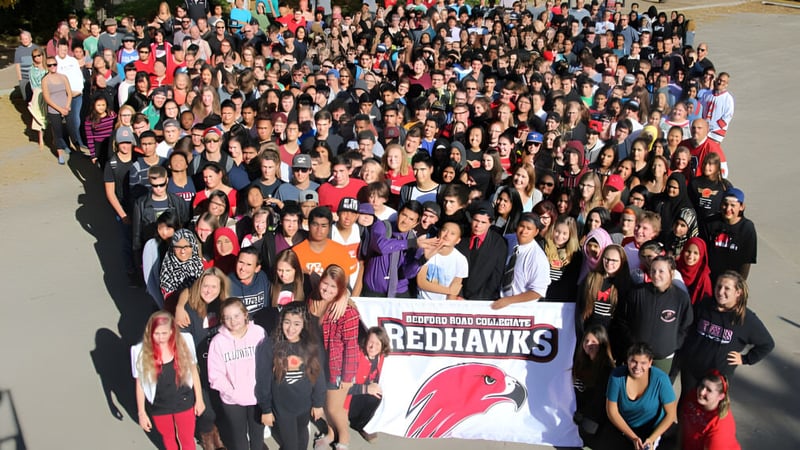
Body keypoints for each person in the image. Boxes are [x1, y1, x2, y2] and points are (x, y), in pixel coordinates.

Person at [679, 271, 775, 392]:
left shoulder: (745, 319)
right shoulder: (704, 305)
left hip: (717, 379)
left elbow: (767, 344)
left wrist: (745, 359)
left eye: (727, 288)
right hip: (691, 371)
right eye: (719, 286)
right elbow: (689, 327)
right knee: (686, 406)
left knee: (710, 409)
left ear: (738, 292)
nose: (720, 292)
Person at [256, 302, 326, 450]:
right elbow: (263, 381)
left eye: (296, 324)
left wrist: (318, 403)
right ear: (281, 322)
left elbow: (318, 377)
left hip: (304, 406)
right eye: (287, 322)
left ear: (304, 325)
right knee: (290, 446)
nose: (290, 328)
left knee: (302, 440)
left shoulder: (311, 345)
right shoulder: (270, 345)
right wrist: (266, 409)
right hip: (282, 409)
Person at [131, 311, 204, 450]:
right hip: (159, 405)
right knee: (168, 438)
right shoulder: (139, 351)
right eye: (156, 334)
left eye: (164, 333)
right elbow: (140, 383)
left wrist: (199, 400)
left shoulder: (185, 342)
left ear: (172, 331)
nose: (160, 338)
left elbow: (194, 371)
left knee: (187, 439)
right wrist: (142, 412)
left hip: (184, 401)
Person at [175, 268, 230, 450]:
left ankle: (219, 435)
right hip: (199, 367)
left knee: (221, 405)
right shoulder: (189, 308)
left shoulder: (224, 305)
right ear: (199, 286)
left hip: (222, 366)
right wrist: (179, 306)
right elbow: (185, 347)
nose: (209, 290)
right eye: (205, 286)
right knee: (205, 410)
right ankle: (208, 439)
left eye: (214, 287)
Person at [308, 265, 360, 450]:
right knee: (323, 403)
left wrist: (348, 377)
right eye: (325, 284)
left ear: (340, 290)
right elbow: (310, 274)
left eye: (333, 287)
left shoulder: (347, 311)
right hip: (317, 363)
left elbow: (351, 347)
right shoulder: (313, 298)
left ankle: (344, 439)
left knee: (333, 408)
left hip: (336, 366)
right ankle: (331, 433)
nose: (327, 290)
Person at [617, 256, 693, 375]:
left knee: (656, 390)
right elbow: (623, 319)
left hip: (663, 358)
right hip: (637, 355)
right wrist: (632, 340)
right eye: (653, 270)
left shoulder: (681, 298)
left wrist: (673, 344)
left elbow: (687, 325)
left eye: (661, 271)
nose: (656, 275)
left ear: (671, 273)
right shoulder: (637, 293)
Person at [207, 297, 267, 450]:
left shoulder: (259, 333)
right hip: (232, 400)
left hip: (257, 396)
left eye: (236, 315)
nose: (233, 321)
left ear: (245, 314)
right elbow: (215, 375)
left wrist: (264, 389)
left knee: (257, 435)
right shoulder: (218, 342)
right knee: (239, 437)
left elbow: (267, 363)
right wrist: (232, 392)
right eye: (227, 317)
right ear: (222, 320)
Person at [606, 343, 677, 450]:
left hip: (654, 430)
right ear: (627, 360)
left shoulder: (661, 379)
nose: (638, 367)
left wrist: (651, 439)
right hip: (626, 429)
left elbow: (671, 415)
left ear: (650, 363)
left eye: (643, 363)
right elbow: (612, 411)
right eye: (634, 361)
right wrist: (633, 437)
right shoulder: (617, 376)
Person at [572, 325, 616, 449]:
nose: (589, 344)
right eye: (586, 341)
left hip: (596, 418)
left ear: (602, 344)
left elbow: (598, 402)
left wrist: (581, 415)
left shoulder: (607, 369)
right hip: (580, 411)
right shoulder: (581, 363)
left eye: (594, 342)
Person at [495, 213, 551, 309]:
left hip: (522, 308)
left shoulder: (538, 258)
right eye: (522, 226)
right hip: (499, 300)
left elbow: (538, 292)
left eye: (529, 229)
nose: (524, 231)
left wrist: (509, 300)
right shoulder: (508, 239)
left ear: (536, 232)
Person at [347, 326, 391, 443]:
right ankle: (358, 424)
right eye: (370, 342)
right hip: (348, 397)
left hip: (363, 393)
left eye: (377, 344)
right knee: (374, 396)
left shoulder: (381, 357)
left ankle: (363, 420)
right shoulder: (355, 356)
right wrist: (367, 389)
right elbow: (342, 387)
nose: (373, 347)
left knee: (380, 393)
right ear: (365, 341)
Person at [702, 187, 757, 281]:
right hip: (709, 278)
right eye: (725, 204)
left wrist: (740, 284)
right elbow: (702, 251)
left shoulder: (747, 228)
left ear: (741, 207)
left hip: (732, 281)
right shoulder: (710, 223)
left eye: (733, 205)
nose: (728, 209)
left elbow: (747, 261)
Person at [577, 244, 632, 338]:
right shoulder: (591, 278)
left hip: (613, 336)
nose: (609, 263)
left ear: (622, 262)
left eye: (614, 260)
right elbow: (580, 307)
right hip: (589, 333)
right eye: (606, 259)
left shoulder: (626, 284)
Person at [680, 371, 742, 450]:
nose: (702, 392)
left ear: (720, 396)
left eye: (708, 390)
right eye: (702, 386)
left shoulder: (720, 425)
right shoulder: (693, 397)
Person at [416, 222, 468, 301]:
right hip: (422, 302)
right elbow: (421, 282)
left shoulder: (461, 260)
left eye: (452, 233)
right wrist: (449, 290)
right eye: (444, 231)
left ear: (458, 240)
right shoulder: (427, 251)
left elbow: (454, 290)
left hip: (443, 306)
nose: (447, 235)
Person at [41, 55, 72, 164]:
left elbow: (69, 93)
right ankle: (60, 154)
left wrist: (67, 107)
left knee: (68, 129)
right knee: (57, 132)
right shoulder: (45, 80)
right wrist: (60, 109)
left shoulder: (63, 77)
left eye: (54, 64)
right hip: (54, 110)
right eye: (50, 65)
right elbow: (47, 98)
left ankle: (67, 145)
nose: (53, 66)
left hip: (66, 108)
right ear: (47, 66)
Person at [160, 229, 204, 304]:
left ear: (193, 246)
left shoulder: (199, 264)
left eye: (186, 246)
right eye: (178, 247)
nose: (182, 251)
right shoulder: (168, 269)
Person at [677, 237, 713, 305]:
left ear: (701, 256)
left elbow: (706, 303)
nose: (690, 256)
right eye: (688, 251)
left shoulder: (703, 277)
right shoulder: (675, 268)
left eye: (696, 253)